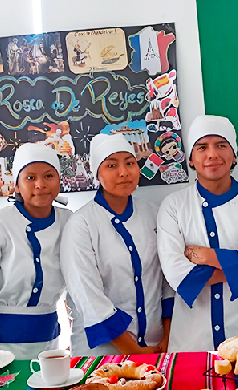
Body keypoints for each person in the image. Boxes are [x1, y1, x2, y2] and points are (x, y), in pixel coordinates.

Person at [157, 115, 238, 352]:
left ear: (233, 154)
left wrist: (208, 256)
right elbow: (177, 274)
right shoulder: (173, 206)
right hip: (193, 341)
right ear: (191, 159)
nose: (212, 154)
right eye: (202, 147)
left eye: (221, 145)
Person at [61, 133, 173, 356]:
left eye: (130, 163)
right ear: (97, 174)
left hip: (157, 345)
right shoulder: (81, 225)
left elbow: (167, 280)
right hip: (104, 351)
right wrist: (135, 351)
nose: (124, 172)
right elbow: (88, 296)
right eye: (112, 165)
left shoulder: (154, 214)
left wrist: (168, 337)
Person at [0, 143, 71, 359]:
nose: (40, 185)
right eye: (30, 178)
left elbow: (77, 286)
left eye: (49, 176)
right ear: (17, 186)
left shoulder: (69, 222)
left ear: (60, 180)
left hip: (50, 345)